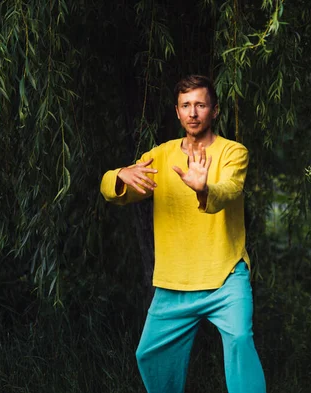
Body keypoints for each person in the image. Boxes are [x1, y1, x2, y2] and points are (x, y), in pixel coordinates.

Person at [100, 75, 266, 393]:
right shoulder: (161, 156)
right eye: (186, 106)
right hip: (175, 282)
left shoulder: (234, 153)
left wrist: (204, 188)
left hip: (225, 275)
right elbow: (115, 190)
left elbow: (229, 190)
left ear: (214, 111)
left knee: (241, 340)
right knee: (148, 355)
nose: (193, 113)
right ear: (177, 113)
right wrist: (119, 175)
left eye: (200, 105)